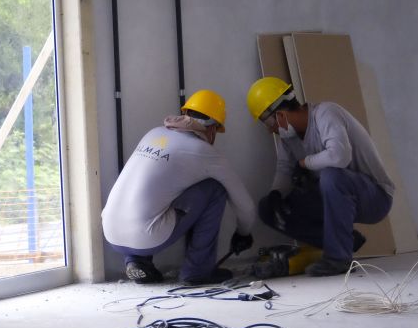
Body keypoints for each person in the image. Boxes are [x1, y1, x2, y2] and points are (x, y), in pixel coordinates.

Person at [102, 90, 255, 285]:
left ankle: (136, 262)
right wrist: (244, 232)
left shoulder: (154, 133)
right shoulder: (204, 151)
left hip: (111, 231)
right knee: (214, 188)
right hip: (148, 237)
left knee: (159, 193)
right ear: (213, 128)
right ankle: (197, 271)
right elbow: (245, 204)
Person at [245, 77, 394, 276]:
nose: (270, 129)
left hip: (374, 197)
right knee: (268, 208)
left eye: (268, 122)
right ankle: (347, 239)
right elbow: (284, 169)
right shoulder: (288, 138)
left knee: (332, 176)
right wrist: (275, 194)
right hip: (333, 197)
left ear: (279, 115)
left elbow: (339, 156)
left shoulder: (325, 114)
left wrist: (304, 163)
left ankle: (338, 258)